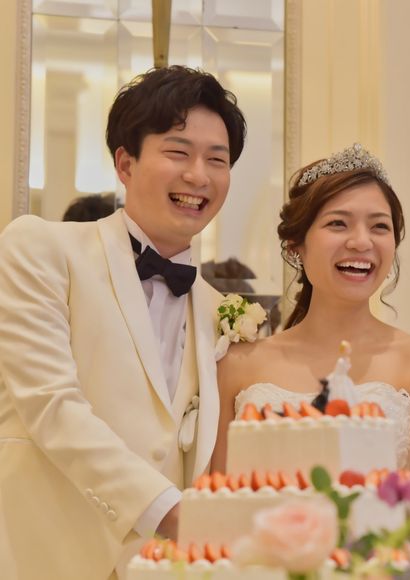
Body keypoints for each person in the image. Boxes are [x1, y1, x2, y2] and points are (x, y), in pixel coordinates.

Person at [0, 65, 246, 580]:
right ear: (125, 163)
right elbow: (51, 405)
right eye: (178, 152)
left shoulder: (221, 311)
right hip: (40, 560)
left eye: (217, 160)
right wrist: (170, 513)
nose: (198, 176)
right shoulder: (40, 248)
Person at [212, 143, 410, 534]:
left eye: (379, 226)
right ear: (296, 245)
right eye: (338, 224)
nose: (361, 242)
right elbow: (217, 513)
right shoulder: (237, 364)